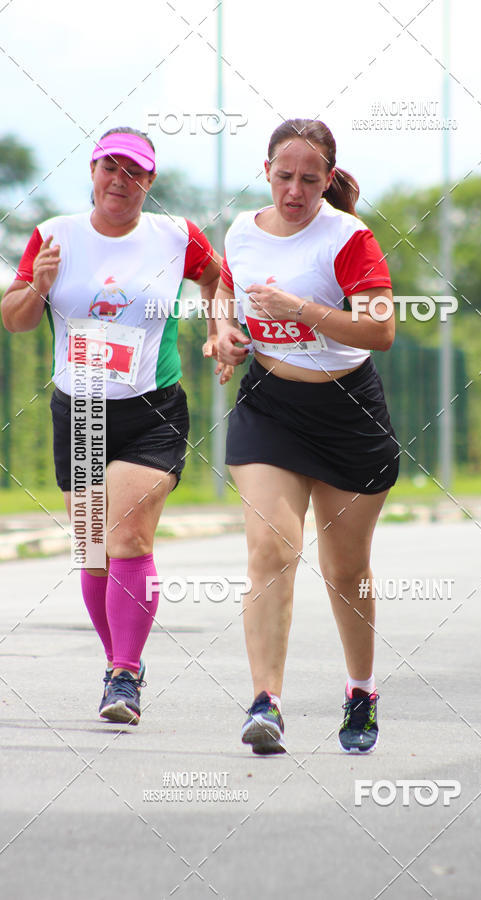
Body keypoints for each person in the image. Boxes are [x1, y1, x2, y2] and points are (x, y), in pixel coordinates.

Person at [1, 127, 225, 725]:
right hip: (79, 406)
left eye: (134, 172)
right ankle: (119, 663)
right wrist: (39, 287)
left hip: (151, 407)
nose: (120, 181)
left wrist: (216, 328)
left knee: (128, 537)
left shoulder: (176, 236)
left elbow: (215, 278)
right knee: (94, 552)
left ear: (149, 182)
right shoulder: (54, 235)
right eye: (110, 168)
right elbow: (15, 320)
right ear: (93, 172)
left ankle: (124, 674)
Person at [215, 118, 398, 754]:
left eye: (309, 179)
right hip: (270, 407)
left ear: (328, 179)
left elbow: (380, 330)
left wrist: (301, 311)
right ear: (266, 171)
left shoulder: (348, 238)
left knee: (346, 571)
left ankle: (361, 690)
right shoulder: (242, 230)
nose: (295, 190)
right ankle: (265, 702)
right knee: (272, 550)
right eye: (284, 176)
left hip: (347, 415)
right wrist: (223, 334)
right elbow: (224, 286)